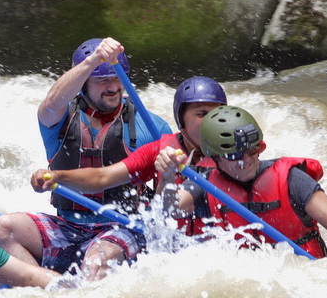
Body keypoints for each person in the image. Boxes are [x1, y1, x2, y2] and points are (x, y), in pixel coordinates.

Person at [0, 37, 171, 279]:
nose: (113, 87)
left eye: (117, 77)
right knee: (2, 229)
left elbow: (166, 203)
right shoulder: (57, 118)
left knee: (95, 262)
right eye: (102, 79)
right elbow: (52, 101)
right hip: (68, 225)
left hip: (122, 227)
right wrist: (92, 60)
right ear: (83, 82)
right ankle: (48, 285)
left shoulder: (150, 126)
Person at [30, 76, 227, 238]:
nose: (211, 121)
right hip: (177, 249)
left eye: (217, 113)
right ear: (181, 119)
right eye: (202, 114)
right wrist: (57, 176)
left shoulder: (241, 154)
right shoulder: (158, 150)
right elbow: (102, 178)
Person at [154, 105, 327, 257]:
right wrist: (168, 178)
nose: (245, 161)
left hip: (303, 277)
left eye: (251, 151)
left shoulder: (292, 179)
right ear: (214, 158)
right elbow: (166, 211)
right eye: (234, 156)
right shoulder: (205, 184)